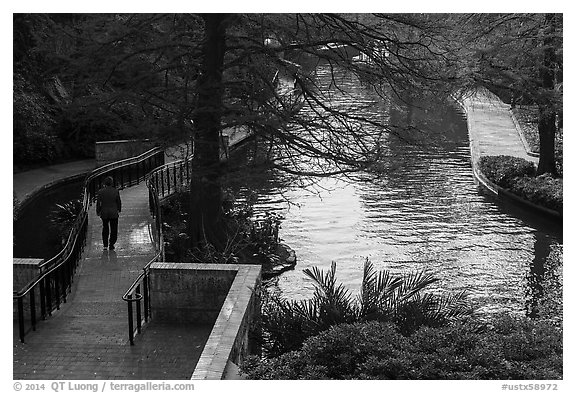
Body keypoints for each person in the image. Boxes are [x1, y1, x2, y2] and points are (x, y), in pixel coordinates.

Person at [96, 176, 122, 250]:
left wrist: (98, 211)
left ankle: (105, 244)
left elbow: (99, 203)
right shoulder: (115, 191)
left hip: (104, 212)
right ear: (112, 183)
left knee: (105, 228)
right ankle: (111, 243)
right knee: (114, 228)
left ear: (105, 183)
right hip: (113, 212)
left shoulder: (100, 192)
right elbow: (118, 201)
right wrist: (119, 209)